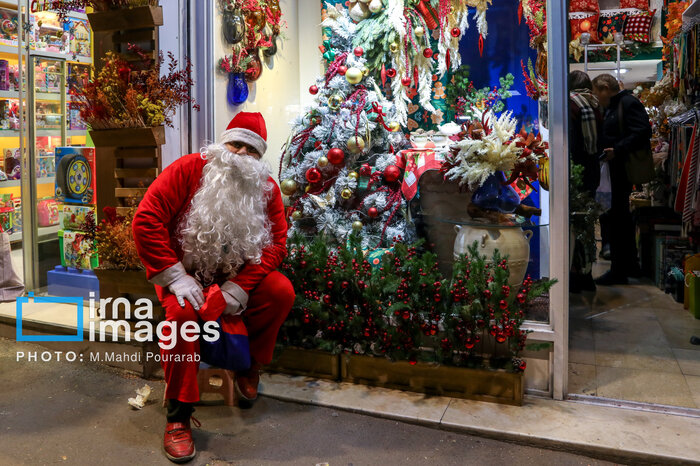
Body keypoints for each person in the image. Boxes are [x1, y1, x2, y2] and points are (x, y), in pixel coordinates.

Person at [132, 112, 295, 463]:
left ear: (259, 157)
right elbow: (146, 219)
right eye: (235, 144)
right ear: (223, 144)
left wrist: (238, 288)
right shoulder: (188, 169)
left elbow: (277, 244)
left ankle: (249, 365)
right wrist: (176, 277)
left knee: (281, 291)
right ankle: (178, 417)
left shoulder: (266, 188)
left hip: (235, 277)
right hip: (184, 275)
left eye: (251, 149)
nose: (240, 154)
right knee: (181, 317)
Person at [592, 74, 651, 285]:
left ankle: (619, 270)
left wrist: (617, 149)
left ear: (606, 88)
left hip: (621, 170)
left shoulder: (627, 103)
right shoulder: (617, 105)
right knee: (621, 218)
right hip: (616, 170)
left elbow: (643, 130)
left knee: (617, 218)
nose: (596, 97)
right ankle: (629, 266)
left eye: (596, 92)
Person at [568, 71, 603, 293]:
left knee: (574, 225)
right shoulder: (594, 104)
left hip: (577, 172)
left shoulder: (573, 105)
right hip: (591, 171)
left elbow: (584, 145)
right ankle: (586, 274)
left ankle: (576, 276)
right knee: (586, 224)